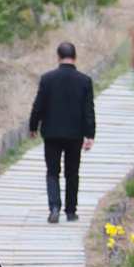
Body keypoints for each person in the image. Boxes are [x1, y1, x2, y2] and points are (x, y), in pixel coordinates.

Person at [29, 41, 95, 223]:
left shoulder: (47, 78)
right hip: (75, 134)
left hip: (51, 133)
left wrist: (33, 126)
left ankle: (54, 207)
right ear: (75, 57)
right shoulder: (84, 81)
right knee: (72, 173)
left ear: (58, 57)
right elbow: (89, 110)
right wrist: (90, 135)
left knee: (52, 172)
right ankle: (71, 211)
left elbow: (38, 106)